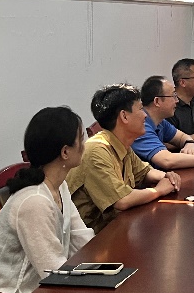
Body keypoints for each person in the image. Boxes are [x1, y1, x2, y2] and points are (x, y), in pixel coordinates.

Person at [0, 107, 95, 293]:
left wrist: (106, 268)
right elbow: (53, 272)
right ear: (65, 152)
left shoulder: (59, 186)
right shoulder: (34, 202)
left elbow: (81, 239)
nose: (84, 145)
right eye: (80, 139)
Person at [67, 84, 181, 233]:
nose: (145, 115)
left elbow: (144, 172)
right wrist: (158, 190)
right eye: (140, 109)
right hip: (92, 239)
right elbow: (122, 200)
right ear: (124, 116)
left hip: (116, 228)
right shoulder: (96, 151)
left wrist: (167, 177)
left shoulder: (122, 143)